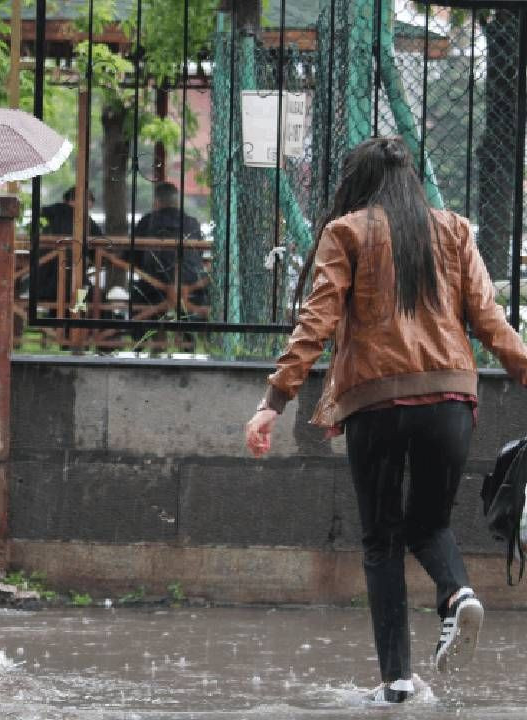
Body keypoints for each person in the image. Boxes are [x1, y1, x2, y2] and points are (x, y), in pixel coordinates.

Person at [244, 137, 527, 704]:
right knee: (430, 525)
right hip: (451, 399)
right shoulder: (452, 230)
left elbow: (314, 325)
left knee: (381, 540)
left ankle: (397, 682)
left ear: (359, 181)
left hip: (376, 403)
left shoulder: (346, 231)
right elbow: (491, 321)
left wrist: (272, 401)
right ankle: (457, 594)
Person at [131, 182, 204, 314]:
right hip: (190, 288)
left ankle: (141, 332)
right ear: (177, 202)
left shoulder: (147, 221)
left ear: (157, 201)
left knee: (137, 295)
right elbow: (199, 255)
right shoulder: (192, 223)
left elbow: (132, 256)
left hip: (153, 288)